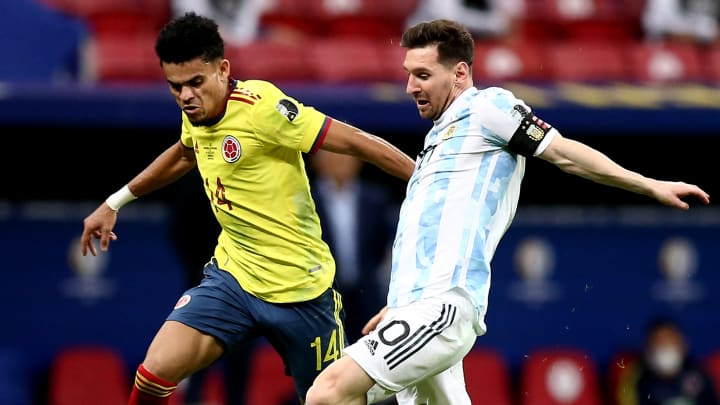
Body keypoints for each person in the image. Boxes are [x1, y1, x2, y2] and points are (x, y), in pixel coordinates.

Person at [304, 19, 711, 405]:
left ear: (460, 74)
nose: (410, 86)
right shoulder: (435, 143)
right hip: (416, 308)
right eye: (409, 73)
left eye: (423, 75)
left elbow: (564, 153)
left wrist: (647, 183)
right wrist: (400, 304)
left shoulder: (487, 108)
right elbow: (430, 233)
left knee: (328, 392)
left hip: (443, 307)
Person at [79, 11, 415, 405]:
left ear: (223, 70)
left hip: (301, 291)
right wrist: (115, 201)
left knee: (331, 400)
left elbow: (355, 141)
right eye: (176, 87)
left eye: (195, 83)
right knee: (155, 371)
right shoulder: (197, 113)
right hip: (233, 279)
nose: (186, 96)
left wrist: (423, 178)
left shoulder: (263, 108)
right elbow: (184, 153)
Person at [309, 150, 398, 342]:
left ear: (358, 161)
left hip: (367, 293)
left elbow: (389, 244)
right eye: (332, 157)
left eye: (345, 157)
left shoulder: (376, 199)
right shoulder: (306, 200)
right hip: (323, 295)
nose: (340, 163)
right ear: (318, 163)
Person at [617, 318, 720, 405]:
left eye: (669, 341)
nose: (665, 347)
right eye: (659, 342)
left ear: (683, 344)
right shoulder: (637, 378)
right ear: (647, 347)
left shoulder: (699, 373)